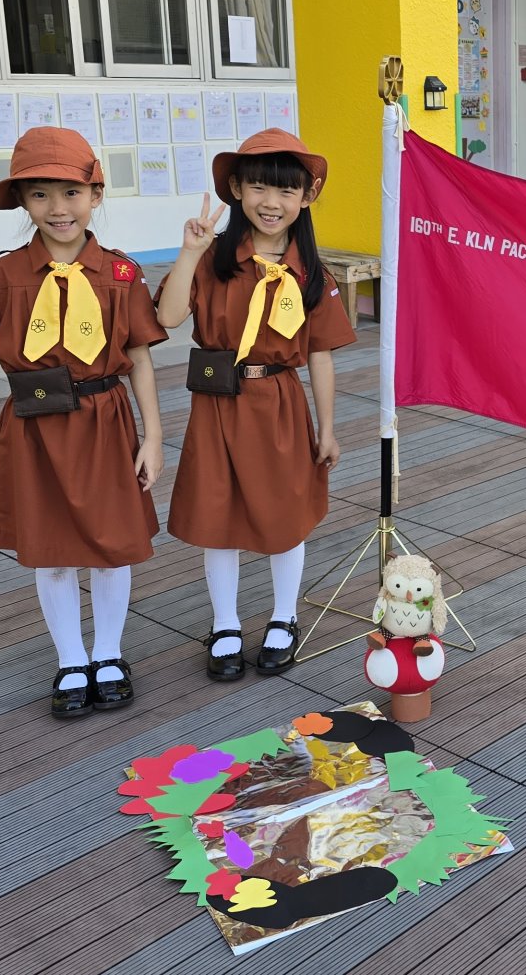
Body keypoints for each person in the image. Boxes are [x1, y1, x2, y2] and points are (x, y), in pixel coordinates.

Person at [0, 126, 166, 718]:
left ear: (96, 195)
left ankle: (109, 654)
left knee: (112, 547)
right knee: (51, 551)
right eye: (40, 195)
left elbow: (138, 356)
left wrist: (155, 435)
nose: (58, 208)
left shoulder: (121, 273)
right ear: (23, 202)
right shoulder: (3, 274)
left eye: (71, 192)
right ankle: (71, 659)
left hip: (106, 422)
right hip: (35, 427)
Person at [154, 129, 357, 681]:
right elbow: (168, 317)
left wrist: (328, 428)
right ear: (238, 189)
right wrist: (190, 251)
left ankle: (283, 617)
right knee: (218, 515)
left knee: (285, 514)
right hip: (218, 404)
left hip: (280, 403)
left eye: (286, 191)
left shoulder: (311, 273)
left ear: (306, 198)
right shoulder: (214, 260)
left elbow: (320, 355)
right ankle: (224, 624)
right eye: (260, 187)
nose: (272, 202)